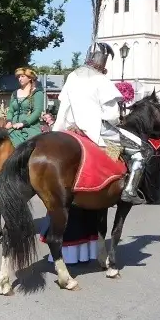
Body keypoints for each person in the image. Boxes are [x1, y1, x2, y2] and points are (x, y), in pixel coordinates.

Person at [52, 42, 149, 205]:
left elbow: (63, 109)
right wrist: (116, 119)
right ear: (103, 59)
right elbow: (112, 116)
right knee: (141, 151)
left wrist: (56, 132)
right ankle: (129, 191)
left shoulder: (72, 76)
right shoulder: (101, 79)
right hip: (98, 131)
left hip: (71, 128)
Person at [6, 67, 45, 147]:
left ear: (30, 78)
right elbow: (10, 110)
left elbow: (37, 112)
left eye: (22, 76)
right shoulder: (14, 93)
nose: (20, 79)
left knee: (30, 147)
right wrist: (9, 121)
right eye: (19, 77)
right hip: (13, 126)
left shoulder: (37, 93)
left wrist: (23, 123)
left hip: (30, 127)